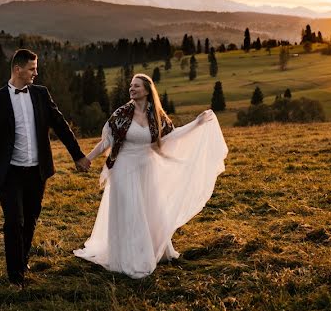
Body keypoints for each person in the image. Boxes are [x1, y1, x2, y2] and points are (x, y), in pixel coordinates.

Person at [74, 73, 227, 278]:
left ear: (147, 90)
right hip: (123, 168)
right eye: (130, 86)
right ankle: (129, 257)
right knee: (130, 211)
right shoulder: (121, 114)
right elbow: (106, 142)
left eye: (136, 86)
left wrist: (196, 124)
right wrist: (88, 158)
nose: (132, 89)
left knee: (148, 211)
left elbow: (171, 138)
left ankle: (150, 250)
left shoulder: (157, 116)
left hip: (147, 169)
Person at [0, 49, 90, 286]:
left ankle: (22, 259)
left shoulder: (41, 94)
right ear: (17, 69)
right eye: (32, 69)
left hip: (37, 172)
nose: (36, 73)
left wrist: (77, 155)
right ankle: (15, 276)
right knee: (14, 221)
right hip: (9, 173)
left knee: (30, 219)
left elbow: (60, 125)